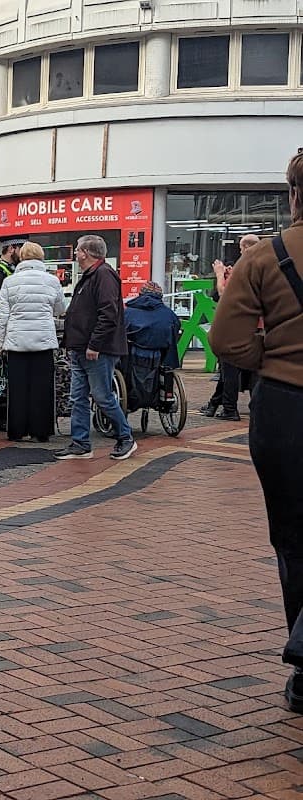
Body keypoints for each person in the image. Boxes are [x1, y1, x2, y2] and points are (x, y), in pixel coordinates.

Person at [209, 149, 303, 713]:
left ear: (293, 194)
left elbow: (226, 339)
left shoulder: (265, 258)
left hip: (286, 407)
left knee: (294, 539)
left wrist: (270, 353)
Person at [54, 234, 135, 460]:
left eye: (78, 251)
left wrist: (95, 343)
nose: (76, 255)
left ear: (86, 253)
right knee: (77, 396)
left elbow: (108, 313)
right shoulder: (92, 275)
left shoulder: (103, 275)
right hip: (81, 347)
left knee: (102, 396)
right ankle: (80, 443)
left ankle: (125, 437)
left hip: (96, 349)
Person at [0, 242, 66, 442]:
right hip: (43, 341)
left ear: (22, 258)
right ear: (41, 257)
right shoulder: (52, 281)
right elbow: (60, 309)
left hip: (17, 342)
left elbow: (2, 317)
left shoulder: (10, 281)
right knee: (42, 388)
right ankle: (40, 431)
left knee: (17, 388)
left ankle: (16, 430)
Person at [201, 234, 261, 420]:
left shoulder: (245, 267)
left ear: (245, 248)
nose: (240, 252)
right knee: (251, 372)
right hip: (257, 328)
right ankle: (216, 404)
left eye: (241, 249)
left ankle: (229, 410)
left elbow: (223, 293)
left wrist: (220, 273)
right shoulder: (263, 266)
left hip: (236, 328)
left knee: (230, 370)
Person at [124, 281, 182, 368]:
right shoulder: (169, 315)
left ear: (140, 294)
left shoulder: (128, 313)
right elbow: (176, 330)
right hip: (159, 357)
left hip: (132, 358)